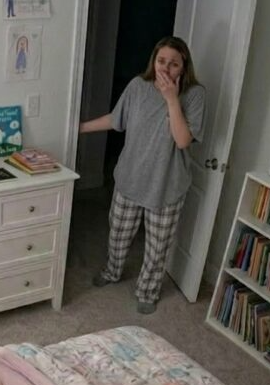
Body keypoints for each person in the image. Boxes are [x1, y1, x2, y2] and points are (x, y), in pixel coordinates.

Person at [79, 36, 206, 314]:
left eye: (174, 64)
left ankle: (147, 290)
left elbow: (183, 140)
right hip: (130, 177)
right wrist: (79, 128)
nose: (166, 69)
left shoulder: (195, 95)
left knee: (158, 246)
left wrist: (171, 99)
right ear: (153, 61)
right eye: (161, 61)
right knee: (118, 233)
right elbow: (116, 119)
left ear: (184, 66)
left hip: (167, 184)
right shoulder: (138, 86)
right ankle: (113, 271)